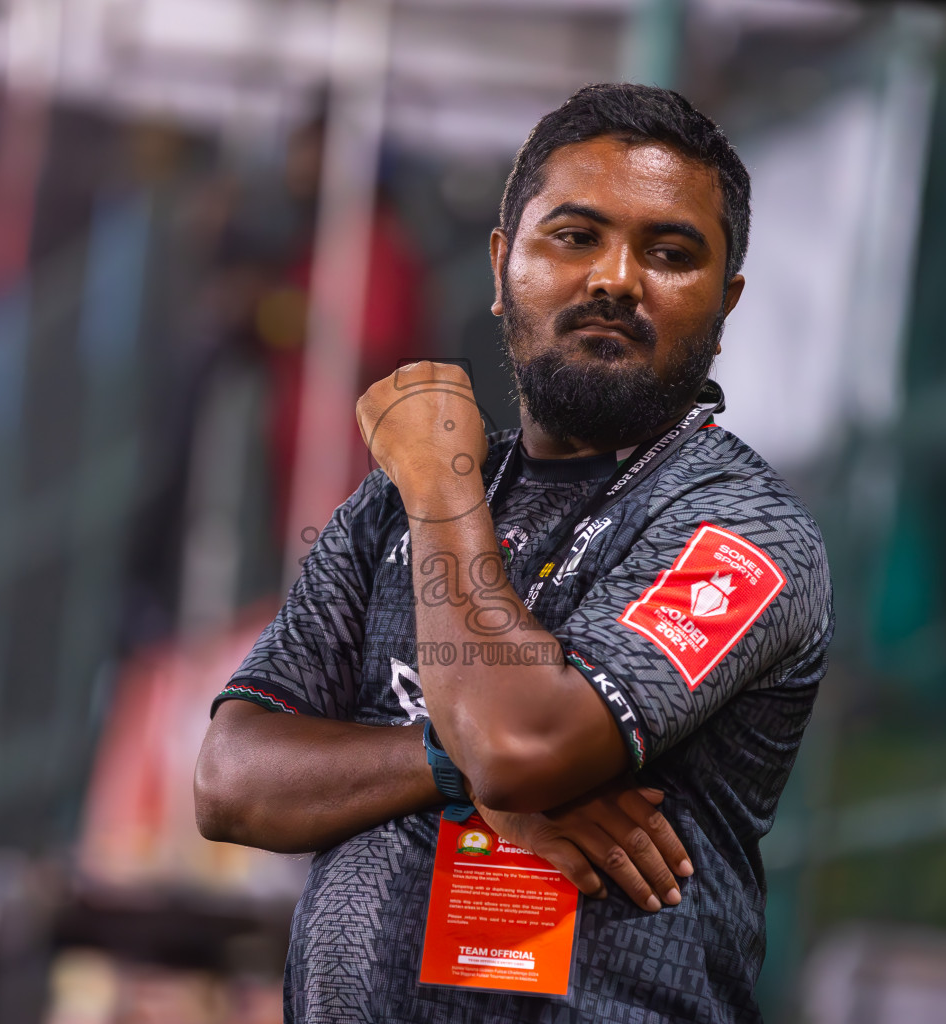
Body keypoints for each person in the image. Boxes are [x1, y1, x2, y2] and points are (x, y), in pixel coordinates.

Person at [194, 83, 832, 1023]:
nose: (616, 277)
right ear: (502, 268)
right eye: (574, 237)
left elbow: (523, 743)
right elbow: (232, 779)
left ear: (726, 301)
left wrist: (445, 493)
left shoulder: (739, 530)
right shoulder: (392, 506)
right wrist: (450, 769)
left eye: (670, 253)